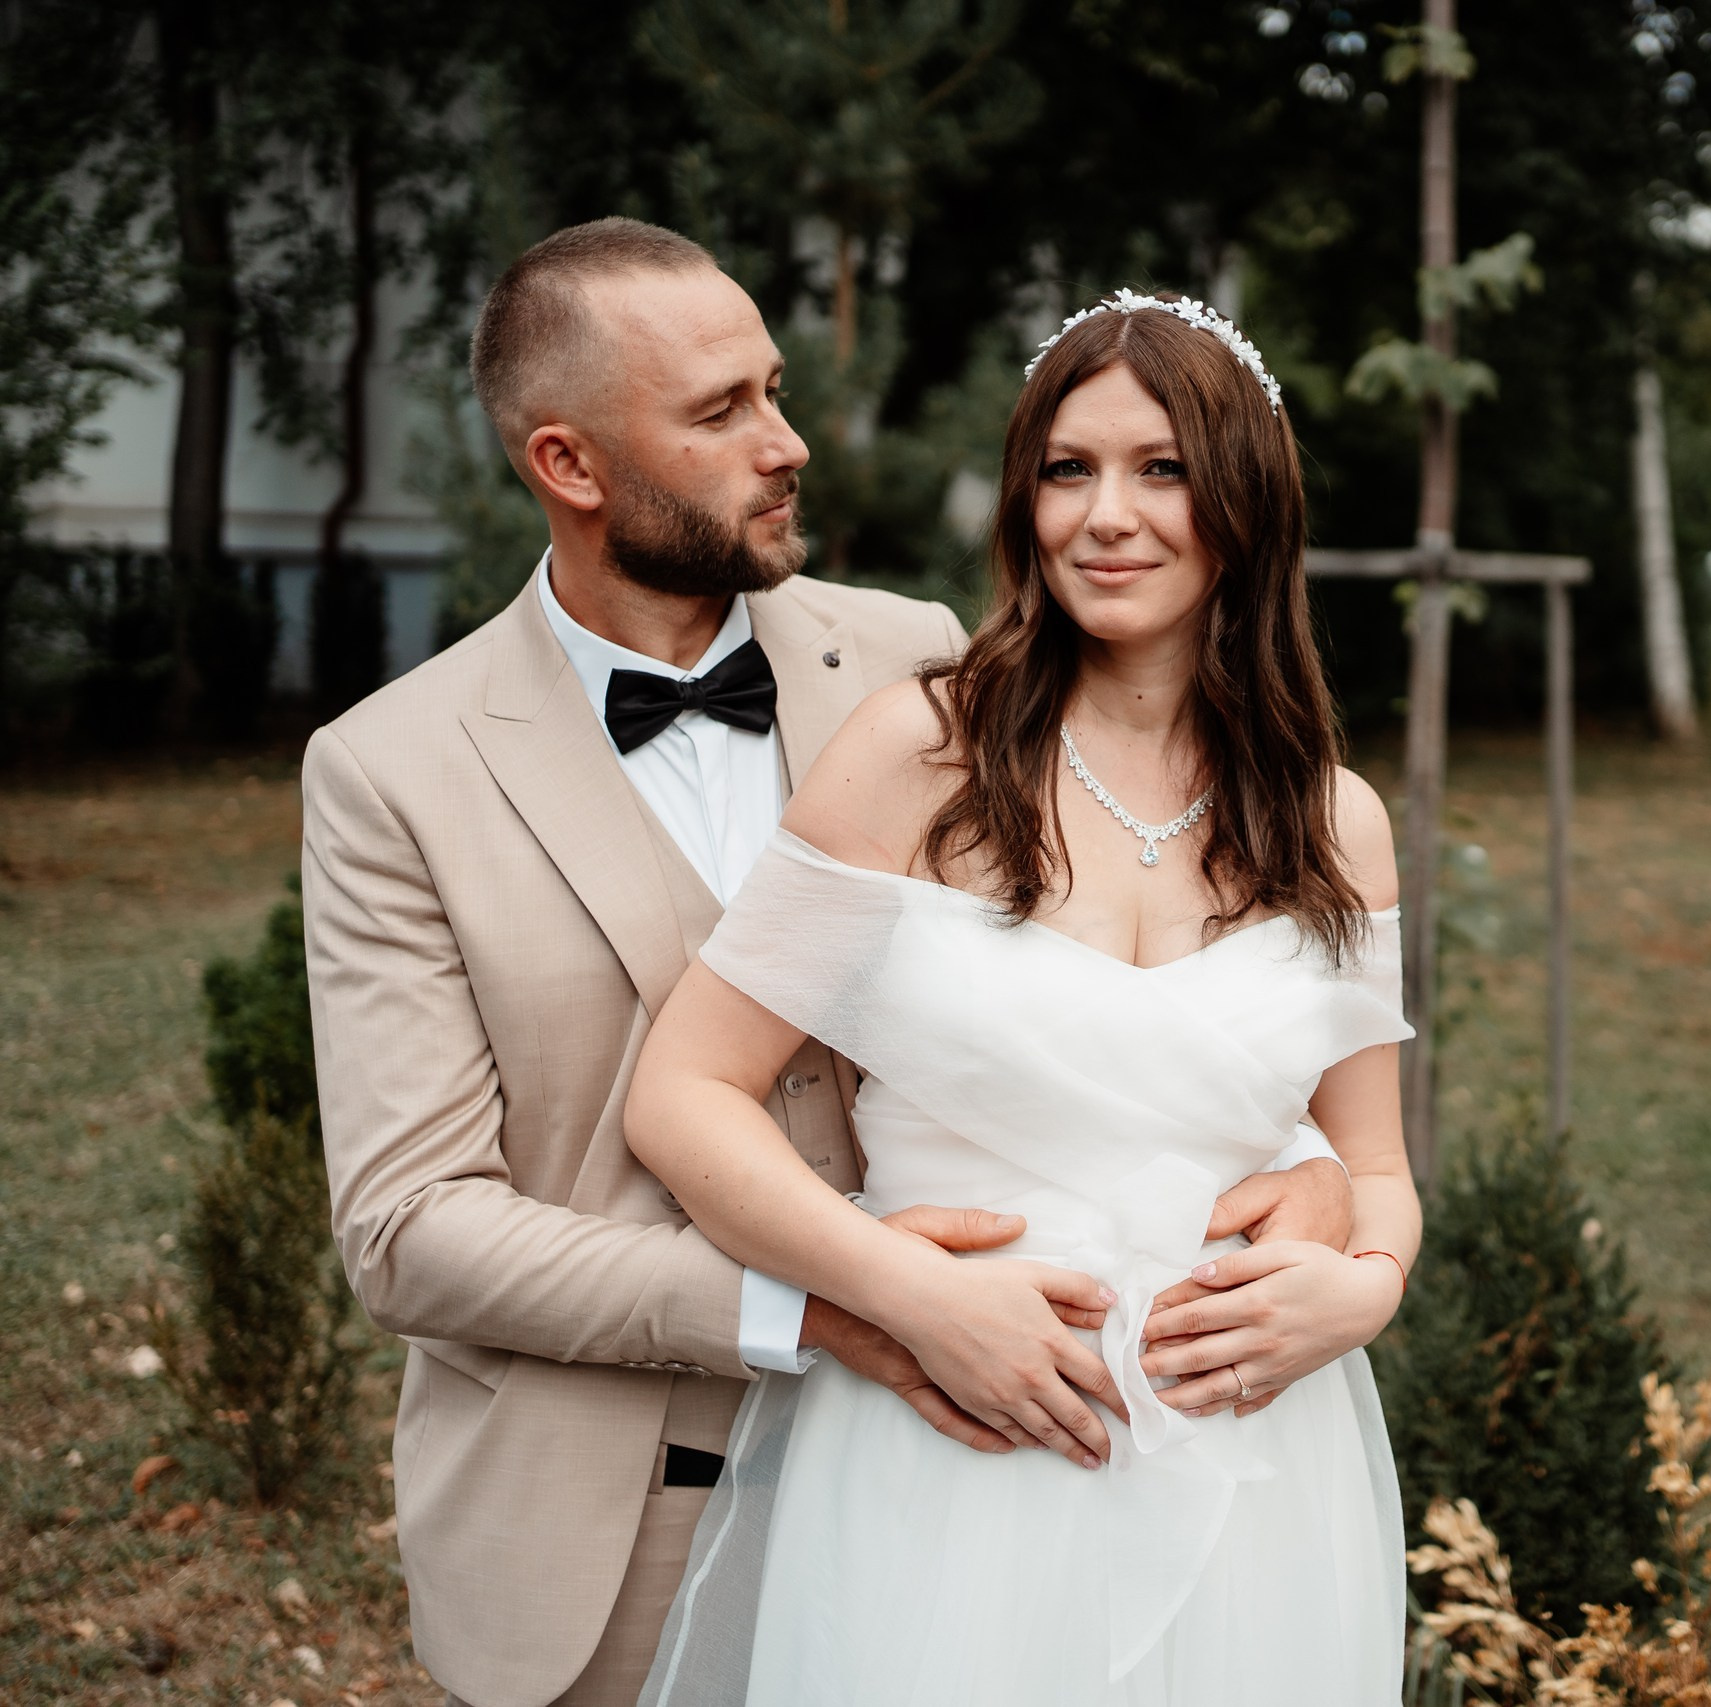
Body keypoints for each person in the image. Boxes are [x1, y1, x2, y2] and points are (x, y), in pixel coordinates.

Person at [302, 225, 1355, 1707]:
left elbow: (1097, 981)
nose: (787, 442)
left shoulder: (917, 664)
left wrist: (1314, 1167)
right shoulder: (392, 772)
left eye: (776, 390)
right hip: (610, 1514)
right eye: (722, 411)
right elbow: (411, 1228)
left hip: (983, 1479)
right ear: (570, 463)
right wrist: (831, 1308)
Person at [621, 290, 1420, 1704]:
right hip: (956, 1451)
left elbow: (1376, 1168)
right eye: (1068, 470)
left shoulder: (1334, 822)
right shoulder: (917, 756)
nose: (1107, 516)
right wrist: (909, 1297)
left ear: (1246, 500)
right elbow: (685, 1095)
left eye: (1161, 470)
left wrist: (1362, 1293)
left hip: (1252, 1469)